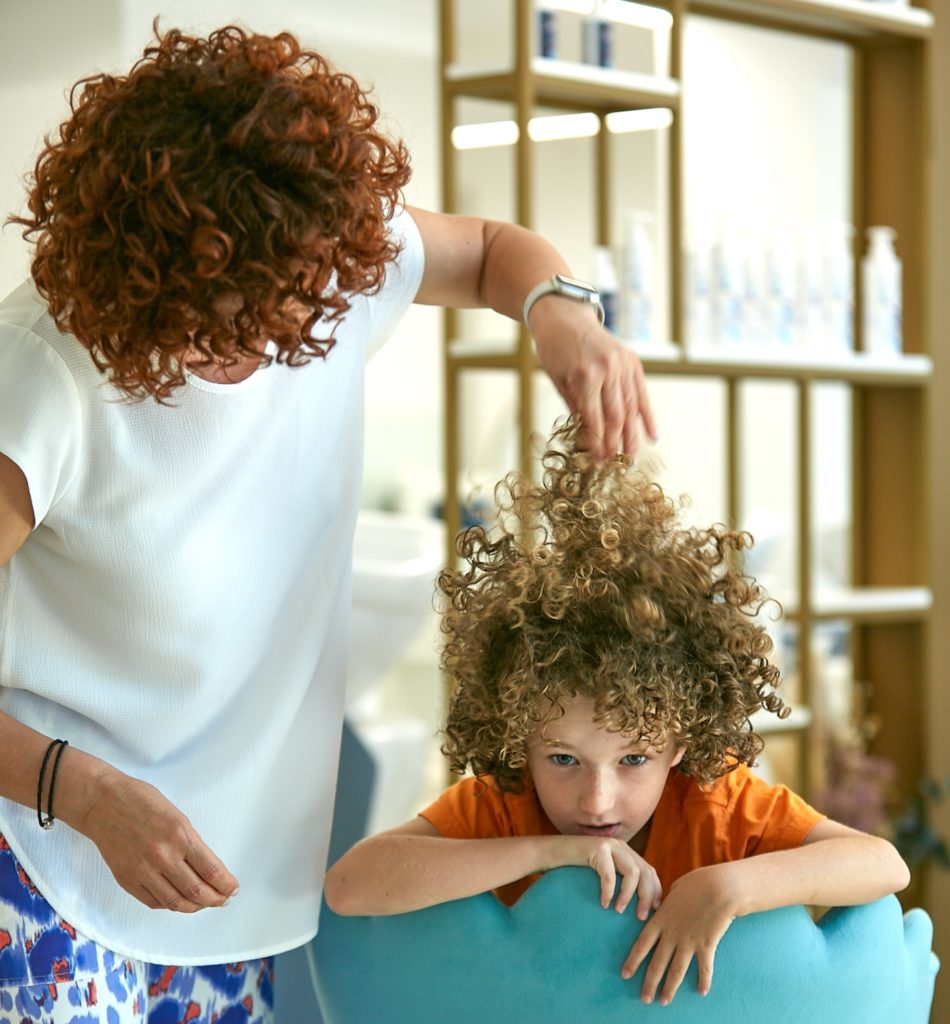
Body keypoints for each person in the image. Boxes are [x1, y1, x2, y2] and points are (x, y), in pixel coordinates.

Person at [0, 23, 656, 1024]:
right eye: (228, 320)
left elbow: (484, 250)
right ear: (151, 277)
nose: (273, 340)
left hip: (231, 881)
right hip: (47, 854)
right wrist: (78, 789)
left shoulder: (319, 264)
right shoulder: (42, 375)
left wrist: (557, 308)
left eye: (294, 307)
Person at [323, 420, 910, 1007]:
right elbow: (350, 886)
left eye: (634, 759)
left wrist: (728, 886)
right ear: (519, 739)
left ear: (679, 745)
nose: (596, 801)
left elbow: (882, 864)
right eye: (562, 758)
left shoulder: (716, 799)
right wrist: (552, 852)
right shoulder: (504, 803)